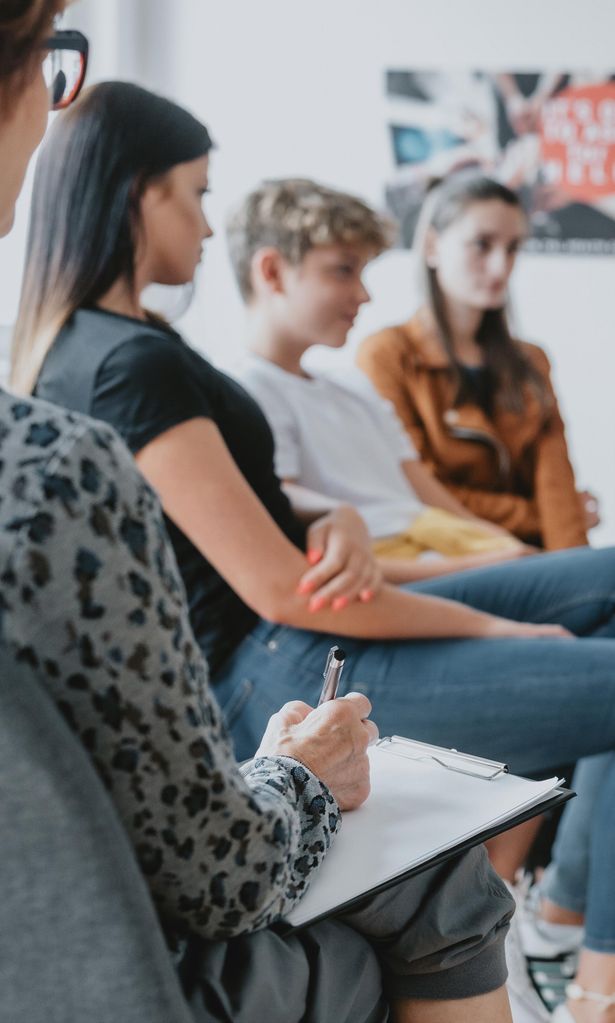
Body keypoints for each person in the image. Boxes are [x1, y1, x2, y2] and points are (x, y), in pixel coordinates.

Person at [10, 80, 615, 1021]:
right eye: (197, 194)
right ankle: (592, 973)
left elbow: (233, 495)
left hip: (292, 628)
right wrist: (492, 624)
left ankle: (570, 923)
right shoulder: (119, 362)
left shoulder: (130, 343)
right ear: (139, 195)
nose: (209, 227)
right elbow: (284, 591)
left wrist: (326, 511)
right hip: (272, 661)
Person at [231, 176, 534, 588]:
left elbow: (432, 499)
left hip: (448, 552)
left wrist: (509, 548)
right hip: (412, 576)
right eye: (343, 271)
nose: (364, 295)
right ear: (272, 272)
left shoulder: (353, 387)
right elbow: (306, 549)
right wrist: (487, 566)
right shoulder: (250, 394)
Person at [356, 173, 599, 550]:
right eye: (482, 245)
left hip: (537, 553)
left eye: (513, 247)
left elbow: (556, 479)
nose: (501, 267)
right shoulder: (388, 355)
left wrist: (577, 572)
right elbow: (421, 489)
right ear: (433, 247)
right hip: (455, 555)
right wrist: (536, 519)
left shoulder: (530, 360)